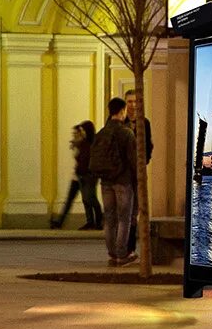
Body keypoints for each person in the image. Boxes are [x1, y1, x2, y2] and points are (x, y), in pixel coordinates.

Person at [92, 97, 137, 267]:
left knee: (109, 218)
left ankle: (111, 253)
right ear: (122, 111)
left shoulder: (101, 132)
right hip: (123, 181)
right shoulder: (126, 133)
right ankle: (121, 254)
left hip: (105, 181)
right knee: (124, 218)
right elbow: (133, 161)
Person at [52, 122, 102, 230]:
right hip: (79, 175)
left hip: (89, 175)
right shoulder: (81, 143)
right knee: (82, 199)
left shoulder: (93, 143)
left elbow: (90, 159)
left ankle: (98, 221)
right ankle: (89, 222)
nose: (81, 132)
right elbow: (80, 159)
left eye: (82, 130)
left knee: (90, 199)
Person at [124, 89, 152, 256]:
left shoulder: (144, 123)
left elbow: (148, 145)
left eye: (135, 102)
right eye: (129, 102)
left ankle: (130, 247)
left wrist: (143, 162)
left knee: (134, 212)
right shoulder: (119, 122)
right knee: (123, 212)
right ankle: (120, 249)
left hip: (137, 174)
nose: (133, 105)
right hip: (121, 174)